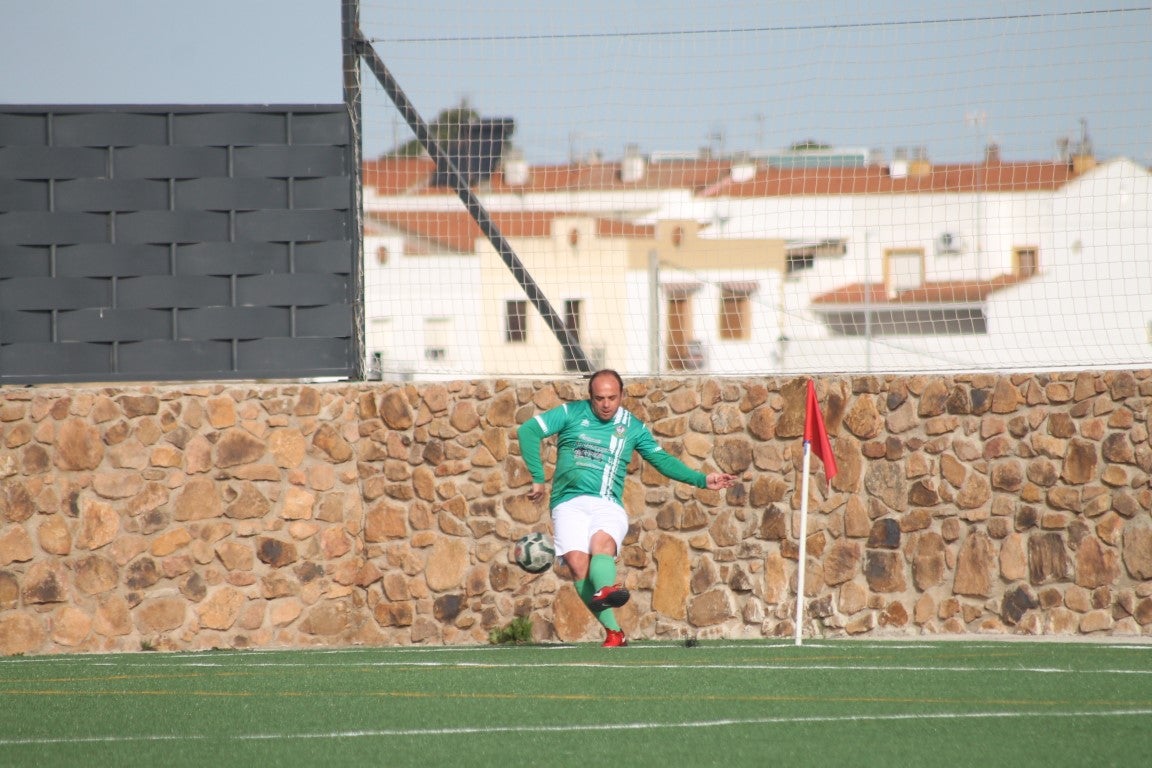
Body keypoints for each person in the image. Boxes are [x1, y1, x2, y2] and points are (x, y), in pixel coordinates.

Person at [516, 369, 737, 647]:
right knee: (576, 564)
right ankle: (614, 632)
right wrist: (537, 477)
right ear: (590, 397)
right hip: (567, 503)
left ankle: (606, 588)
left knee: (601, 544)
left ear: (622, 395)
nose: (606, 404)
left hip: (606, 503)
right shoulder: (570, 413)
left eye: (612, 397)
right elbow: (529, 430)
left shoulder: (632, 427)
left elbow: (661, 460)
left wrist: (702, 479)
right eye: (599, 398)